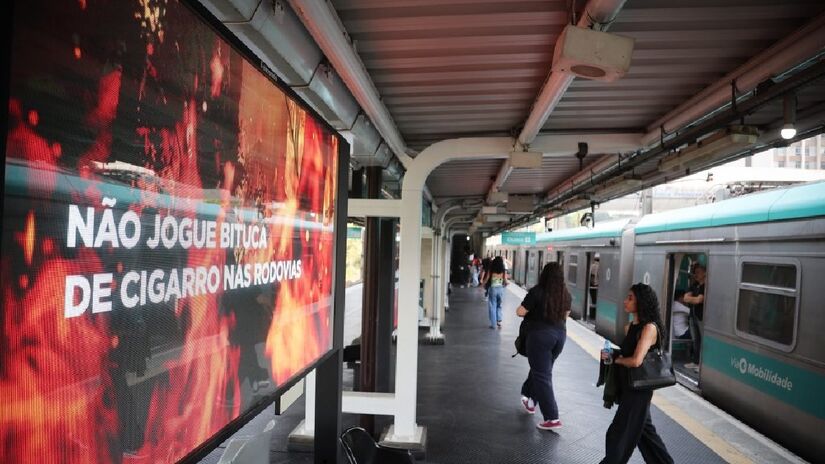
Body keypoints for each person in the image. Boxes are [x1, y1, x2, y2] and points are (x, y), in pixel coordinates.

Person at [599, 283, 674, 464]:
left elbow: (636, 361)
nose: (625, 301)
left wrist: (615, 360)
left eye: (630, 298)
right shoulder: (630, 326)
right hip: (629, 386)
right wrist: (612, 354)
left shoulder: (649, 328)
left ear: (641, 302)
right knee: (646, 436)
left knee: (618, 434)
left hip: (638, 390)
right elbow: (628, 353)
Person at [516, 262, 571, 430]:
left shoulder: (537, 291)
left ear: (544, 274)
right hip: (560, 336)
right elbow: (566, 316)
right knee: (542, 370)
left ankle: (552, 418)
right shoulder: (566, 294)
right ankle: (529, 397)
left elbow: (520, 311)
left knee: (542, 375)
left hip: (539, 336)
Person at [683, 263, 706, 367]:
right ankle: (696, 362)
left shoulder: (705, 286)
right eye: (695, 273)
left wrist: (692, 299)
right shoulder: (694, 285)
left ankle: (702, 364)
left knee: (702, 340)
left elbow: (699, 300)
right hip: (693, 316)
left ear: (704, 273)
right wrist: (694, 299)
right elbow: (685, 298)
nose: (696, 275)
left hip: (702, 317)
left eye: (698, 272)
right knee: (695, 340)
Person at [482, 256, 508, 328]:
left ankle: (493, 324)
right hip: (500, 289)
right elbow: (505, 281)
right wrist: (506, 283)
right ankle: (498, 321)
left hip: (493, 289)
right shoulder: (503, 270)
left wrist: (482, 284)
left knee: (492, 305)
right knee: (499, 305)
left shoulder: (491, 269)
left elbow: (487, 278)